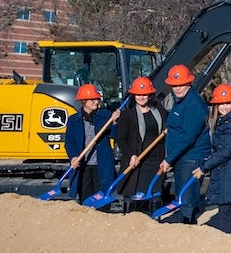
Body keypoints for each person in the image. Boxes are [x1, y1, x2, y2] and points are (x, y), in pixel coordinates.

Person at [195, 84, 231, 234]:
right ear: (215, 105)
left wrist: (204, 168)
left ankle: (227, 239)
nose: (224, 107)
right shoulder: (223, 121)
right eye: (221, 103)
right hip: (228, 169)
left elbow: (226, 151)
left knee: (226, 206)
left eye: (228, 103)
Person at [158, 64, 211, 224]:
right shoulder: (180, 101)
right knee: (182, 195)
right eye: (174, 86)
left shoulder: (193, 104)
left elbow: (188, 137)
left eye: (181, 85)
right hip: (182, 157)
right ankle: (185, 225)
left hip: (191, 157)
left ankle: (187, 227)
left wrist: (169, 159)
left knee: (186, 199)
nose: (177, 88)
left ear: (189, 83)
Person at [115, 76, 166, 212]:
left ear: (150, 95)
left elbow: (166, 129)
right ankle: (130, 223)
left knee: (155, 192)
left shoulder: (159, 109)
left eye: (144, 94)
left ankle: (155, 223)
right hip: (136, 160)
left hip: (155, 159)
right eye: (138, 94)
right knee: (133, 192)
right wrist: (131, 155)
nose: (141, 97)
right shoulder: (127, 114)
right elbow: (121, 139)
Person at [65, 83, 115, 204]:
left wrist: (115, 122)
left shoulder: (106, 116)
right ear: (83, 101)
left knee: (102, 200)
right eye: (92, 99)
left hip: (101, 165)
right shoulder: (74, 120)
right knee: (86, 200)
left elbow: (115, 135)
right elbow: (69, 142)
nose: (96, 102)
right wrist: (73, 156)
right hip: (84, 166)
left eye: (97, 99)